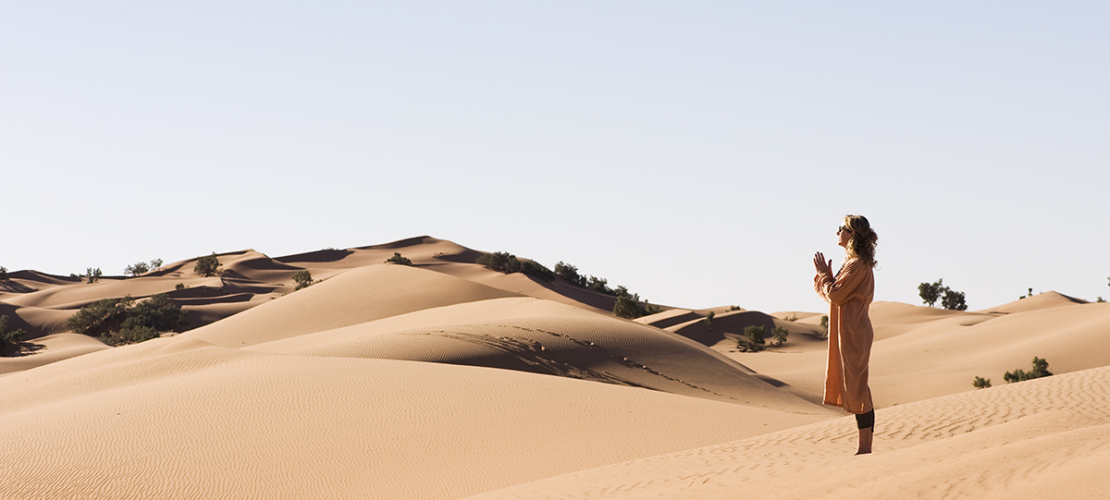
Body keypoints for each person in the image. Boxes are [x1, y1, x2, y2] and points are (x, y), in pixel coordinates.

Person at [813, 214, 878, 455]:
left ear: (853, 235)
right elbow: (833, 294)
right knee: (856, 385)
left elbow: (836, 296)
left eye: (841, 228)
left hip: (854, 330)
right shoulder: (853, 264)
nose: (837, 232)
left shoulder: (857, 264)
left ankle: (865, 448)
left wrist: (823, 274)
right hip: (849, 329)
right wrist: (826, 277)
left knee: (858, 387)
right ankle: (864, 447)